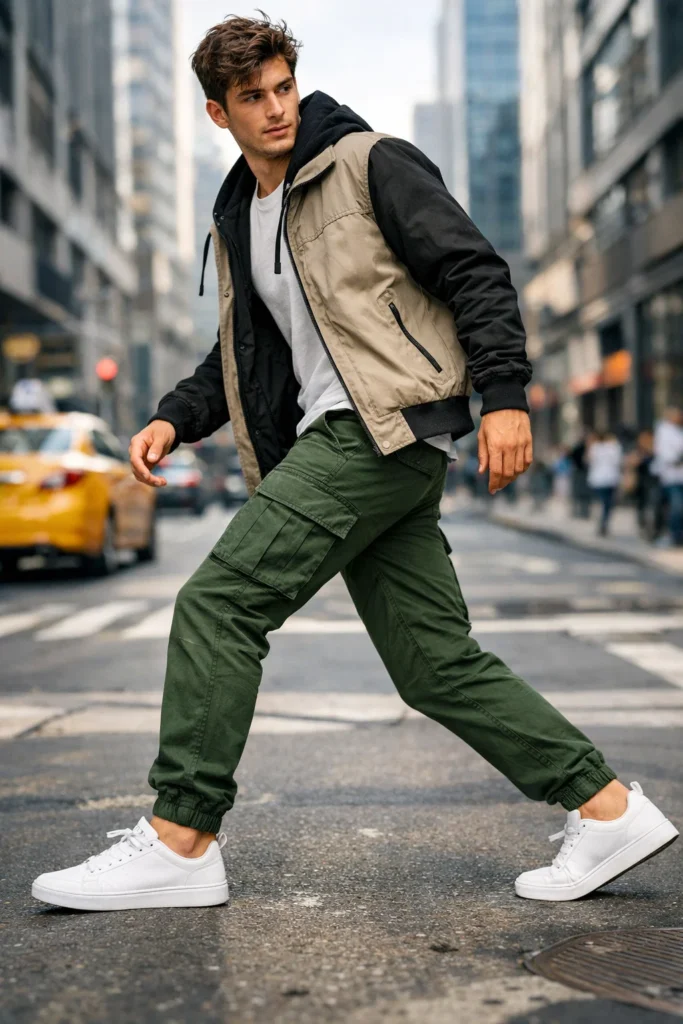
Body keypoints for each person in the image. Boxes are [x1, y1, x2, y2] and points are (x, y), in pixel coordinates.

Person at [31, 14, 678, 911]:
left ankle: (181, 837)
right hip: (363, 445)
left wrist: (503, 397)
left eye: (282, 87)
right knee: (433, 663)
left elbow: (475, 273)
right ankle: (605, 809)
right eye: (251, 97)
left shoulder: (368, 162)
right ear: (218, 113)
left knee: (219, 603)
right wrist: (172, 421)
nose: (274, 109)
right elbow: (244, 357)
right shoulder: (239, 216)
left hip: (379, 431)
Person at [653, 408, 683, 547]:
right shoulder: (664, 431)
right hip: (671, 477)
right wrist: (677, 458)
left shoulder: (678, 431)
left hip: (678, 476)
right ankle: (673, 535)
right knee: (676, 507)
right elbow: (665, 454)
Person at [586, 429, 623, 536]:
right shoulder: (614, 447)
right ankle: (604, 522)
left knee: (602, 502)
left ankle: (602, 522)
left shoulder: (595, 447)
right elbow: (618, 462)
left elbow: (588, 460)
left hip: (598, 479)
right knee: (608, 503)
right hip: (610, 479)